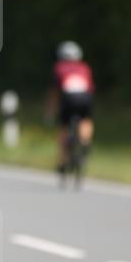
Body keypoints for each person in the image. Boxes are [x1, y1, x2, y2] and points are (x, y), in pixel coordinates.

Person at [47, 40, 95, 176]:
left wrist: (50, 112)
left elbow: (55, 93)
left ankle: (62, 162)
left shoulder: (59, 67)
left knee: (64, 127)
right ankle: (85, 142)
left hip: (68, 98)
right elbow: (91, 88)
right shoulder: (85, 67)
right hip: (85, 97)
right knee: (86, 121)